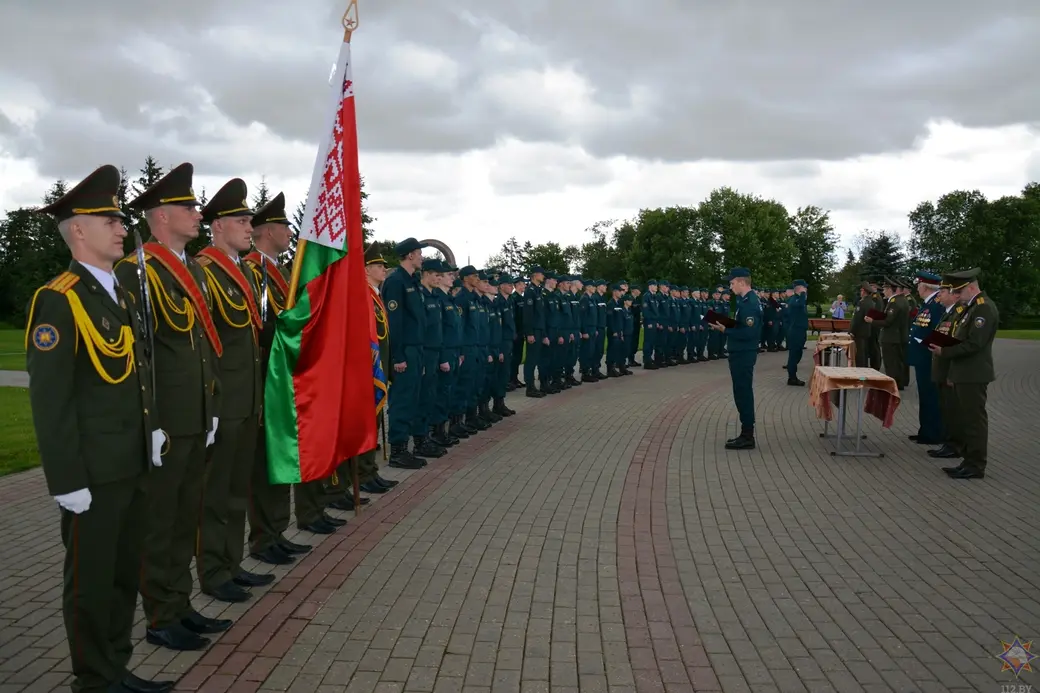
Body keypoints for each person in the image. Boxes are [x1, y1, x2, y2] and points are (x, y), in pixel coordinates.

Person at [29, 165, 175, 693]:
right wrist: (65, 479)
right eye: (108, 219)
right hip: (92, 473)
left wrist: (152, 430)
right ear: (78, 231)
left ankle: (116, 666)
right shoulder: (60, 298)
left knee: (121, 574)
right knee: (90, 581)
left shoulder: (122, 294)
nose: (121, 227)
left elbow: (139, 377)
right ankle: (93, 678)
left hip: (131, 462)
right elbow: (51, 401)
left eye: (120, 218)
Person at [115, 162, 227, 651]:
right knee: (160, 525)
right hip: (167, 422)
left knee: (186, 518)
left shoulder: (187, 270)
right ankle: (160, 616)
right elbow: (140, 356)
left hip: (195, 418)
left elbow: (199, 345)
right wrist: (153, 423)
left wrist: (211, 407)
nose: (197, 213)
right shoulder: (136, 270)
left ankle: (179, 604)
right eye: (189, 207)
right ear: (161, 217)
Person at [242, 193, 318, 560]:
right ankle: (263, 538)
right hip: (265, 378)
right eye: (285, 226)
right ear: (268, 231)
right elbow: (264, 328)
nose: (291, 232)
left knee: (279, 454)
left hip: (283, 376)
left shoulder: (279, 271)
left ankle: (276, 530)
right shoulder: (255, 271)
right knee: (263, 461)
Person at [929, 268, 998, 480]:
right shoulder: (970, 308)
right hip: (963, 371)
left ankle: (976, 465)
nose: (957, 296)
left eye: (960, 292)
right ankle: (967, 461)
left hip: (973, 373)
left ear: (970, 287)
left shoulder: (983, 308)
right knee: (965, 420)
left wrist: (945, 351)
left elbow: (974, 344)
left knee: (974, 421)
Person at [381, 238, 428, 466]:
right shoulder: (396, 281)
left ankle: (408, 446)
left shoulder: (413, 281)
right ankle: (397, 450)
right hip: (405, 351)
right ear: (410, 255)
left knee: (414, 399)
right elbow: (394, 322)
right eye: (419, 253)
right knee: (402, 399)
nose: (422, 257)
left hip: (416, 348)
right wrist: (397, 356)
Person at [710, 267, 761, 450]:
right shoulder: (744, 300)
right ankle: (745, 433)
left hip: (743, 353)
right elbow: (741, 325)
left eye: (731, 283)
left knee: (743, 392)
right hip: (740, 352)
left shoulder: (750, 303)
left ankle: (748, 435)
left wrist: (725, 329)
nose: (730, 287)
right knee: (741, 392)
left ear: (741, 282)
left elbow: (749, 332)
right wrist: (725, 323)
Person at [926, 286, 963, 462]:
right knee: (945, 408)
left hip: (948, 367)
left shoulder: (959, 313)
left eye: (943, 292)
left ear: (953, 295)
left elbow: (957, 343)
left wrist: (951, 373)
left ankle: (954, 445)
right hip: (941, 366)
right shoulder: (947, 312)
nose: (939, 295)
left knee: (952, 410)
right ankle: (948, 443)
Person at [907, 271, 944, 445]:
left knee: (931, 395)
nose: (917, 288)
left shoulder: (937, 305)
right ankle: (925, 430)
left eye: (919, 285)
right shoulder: (928, 303)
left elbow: (939, 330)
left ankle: (934, 433)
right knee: (924, 395)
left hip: (929, 357)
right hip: (922, 356)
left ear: (925, 286)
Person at [869, 277, 909, 389]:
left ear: (891, 289)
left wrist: (872, 321)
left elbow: (888, 321)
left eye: (885, 289)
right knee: (897, 362)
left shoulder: (895, 302)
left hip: (891, 337)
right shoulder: (901, 300)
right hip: (897, 336)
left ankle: (892, 385)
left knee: (891, 363)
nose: (883, 291)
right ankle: (898, 383)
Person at [521, 266, 548, 397]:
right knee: (531, 360)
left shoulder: (539, 291)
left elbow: (541, 314)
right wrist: (529, 333)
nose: (543, 276)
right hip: (533, 330)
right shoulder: (530, 291)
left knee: (537, 358)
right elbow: (528, 314)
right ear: (535, 275)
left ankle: (536, 386)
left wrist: (543, 334)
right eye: (541, 274)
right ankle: (530, 387)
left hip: (539, 329)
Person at [785, 280, 809, 386]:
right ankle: (792, 378)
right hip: (795, 331)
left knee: (798, 353)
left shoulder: (798, 300)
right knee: (794, 355)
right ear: (800, 288)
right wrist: (803, 293)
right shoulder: (794, 300)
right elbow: (800, 304)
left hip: (800, 331)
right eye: (804, 288)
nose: (806, 290)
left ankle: (792, 374)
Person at [850, 282, 873, 367]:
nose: (860, 292)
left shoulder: (862, 303)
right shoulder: (871, 302)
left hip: (859, 332)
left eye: (861, 290)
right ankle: (864, 369)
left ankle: (860, 372)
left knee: (859, 354)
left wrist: (852, 331)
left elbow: (857, 319)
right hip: (866, 330)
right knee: (864, 353)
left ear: (864, 291)